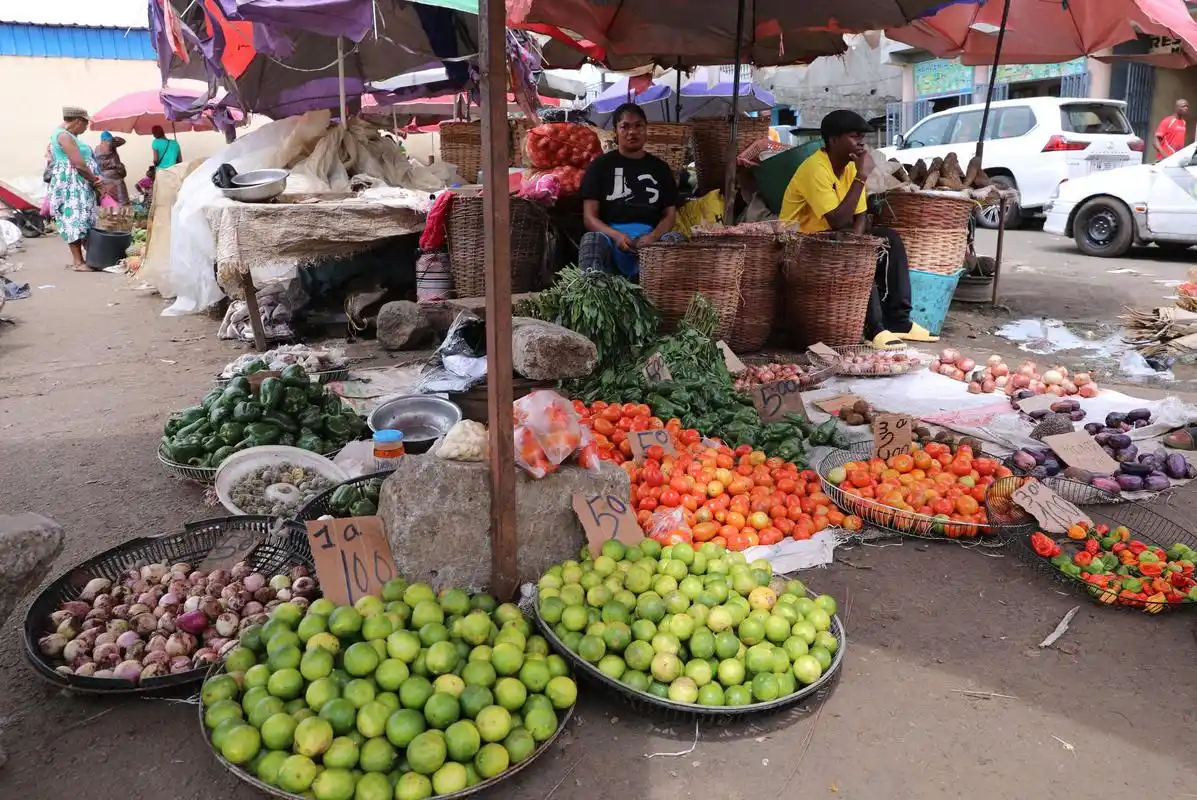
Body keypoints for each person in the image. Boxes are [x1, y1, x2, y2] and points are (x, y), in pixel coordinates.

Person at [780, 110, 938, 349]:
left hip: (833, 238)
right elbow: (837, 220)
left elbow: (860, 215)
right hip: (800, 246)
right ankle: (874, 329)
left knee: (889, 238)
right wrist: (862, 176)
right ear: (833, 140)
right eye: (855, 137)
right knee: (853, 249)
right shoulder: (815, 169)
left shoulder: (851, 167)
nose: (862, 143)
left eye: (863, 137)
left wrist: (857, 240)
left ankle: (899, 321)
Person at [579, 103, 684, 279]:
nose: (632, 132)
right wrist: (616, 236)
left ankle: (666, 300)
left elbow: (670, 215)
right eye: (625, 126)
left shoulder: (660, 169)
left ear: (646, 130)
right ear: (615, 132)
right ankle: (593, 296)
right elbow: (589, 217)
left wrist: (654, 237)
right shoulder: (600, 166)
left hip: (651, 243)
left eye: (638, 126)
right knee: (591, 240)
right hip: (611, 239)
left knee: (676, 241)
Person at [47, 106, 103, 271]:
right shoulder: (64, 136)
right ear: (78, 121)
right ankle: (78, 262)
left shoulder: (69, 135)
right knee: (74, 218)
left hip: (78, 182)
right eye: (86, 124)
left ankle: (89, 258)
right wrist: (94, 180)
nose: (86, 128)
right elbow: (78, 164)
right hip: (73, 183)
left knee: (83, 217)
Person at [94, 131, 130, 205]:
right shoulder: (110, 145)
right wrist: (112, 139)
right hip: (115, 178)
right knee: (121, 201)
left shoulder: (97, 149)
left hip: (103, 177)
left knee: (107, 200)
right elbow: (122, 141)